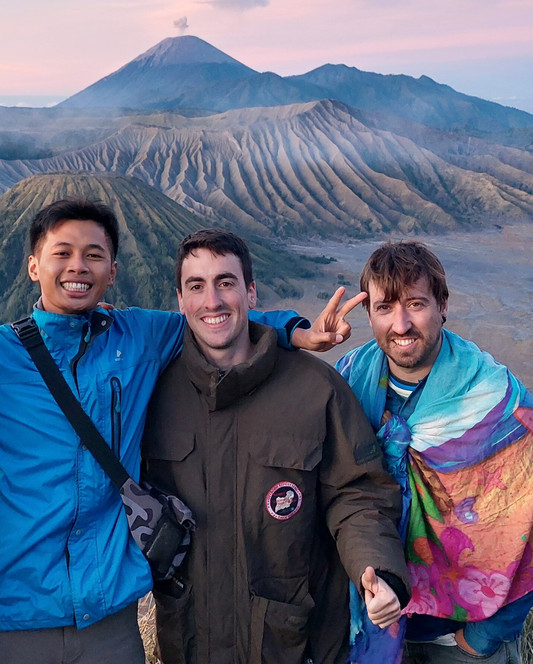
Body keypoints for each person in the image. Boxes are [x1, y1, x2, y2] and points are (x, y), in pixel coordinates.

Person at [0, 198, 361, 664]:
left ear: (113, 272)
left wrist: (293, 329)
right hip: (9, 625)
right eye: (62, 252)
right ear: (33, 266)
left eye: (94, 254)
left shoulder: (141, 336)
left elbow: (217, 314)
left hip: (109, 622)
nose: (78, 266)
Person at [142, 228, 410, 664]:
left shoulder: (315, 388)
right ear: (180, 300)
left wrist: (378, 572)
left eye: (226, 283)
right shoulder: (153, 391)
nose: (212, 301)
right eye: (197, 286)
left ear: (251, 292)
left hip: (295, 644)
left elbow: (359, 494)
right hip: (188, 640)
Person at [336, 241, 533, 664]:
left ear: (443, 305)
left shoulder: (497, 401)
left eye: (416, 304)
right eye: (385, 308)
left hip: (459, 634)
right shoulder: (347, 381)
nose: (401, 324)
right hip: (372, 623)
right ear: (370, 315)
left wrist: (481, 641)